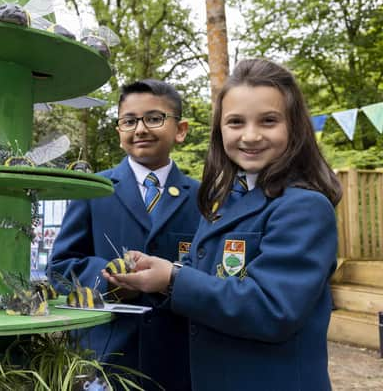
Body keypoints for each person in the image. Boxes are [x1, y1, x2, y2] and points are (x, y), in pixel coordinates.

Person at [104, 59, 342, 391]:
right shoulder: (222, 201)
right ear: (220, 130)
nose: (251, 135)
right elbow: (206, 276)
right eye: (235, 122)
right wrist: (159, 273)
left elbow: (272, 308)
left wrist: (172, 279)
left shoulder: (304, 206)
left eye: (269, 121)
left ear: (295, 127)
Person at [47, 79, 201, 390]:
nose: (140, 129)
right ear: (119, 133)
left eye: (154, 118)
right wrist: (109, 282)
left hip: (177, 358)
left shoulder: (202, 197)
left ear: (180, 130)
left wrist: (173, 279)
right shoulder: (93, 189)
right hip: (105, 358)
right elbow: (61, 267)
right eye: (129, 121)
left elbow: (209, 270)